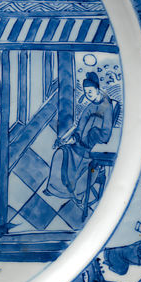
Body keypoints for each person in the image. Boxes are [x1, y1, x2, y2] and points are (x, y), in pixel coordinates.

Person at [46, 71, 115, 209]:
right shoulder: (90, 106)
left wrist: (92, 134)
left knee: (83, 165)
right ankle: (54, 189)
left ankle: (74, 194)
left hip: (91, 148)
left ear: (97, 89)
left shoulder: (106, 107)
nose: (87, 95)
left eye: (90, 92)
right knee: (60, 153)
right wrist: (72, 137)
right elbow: (80, 125)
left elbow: (106, 134)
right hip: (80, 144)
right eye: (85, 92)